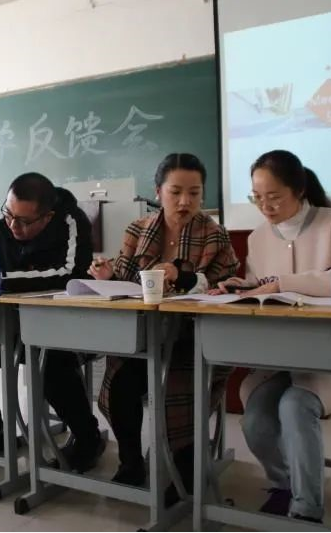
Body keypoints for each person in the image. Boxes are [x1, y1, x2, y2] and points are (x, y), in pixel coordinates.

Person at [215, 150, 331, 523]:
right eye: (257, 197)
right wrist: (244, 286)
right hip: (279, 361)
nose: (265, 207)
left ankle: (307, 509)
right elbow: (261, 286)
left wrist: (282, 282)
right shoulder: (258, 237)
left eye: (274, 197)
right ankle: (285, 483)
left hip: (330, 362)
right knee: (256, 420)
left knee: (294, 406)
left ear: (299, 190)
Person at [89, 153, 239, 504]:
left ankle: (184, 471)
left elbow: (229, 285)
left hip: (193, 342)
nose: (185, 201)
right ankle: (130, 462)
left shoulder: (214, 235)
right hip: (144, 338)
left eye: (194, 193)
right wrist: (107, 275)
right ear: (158, 192)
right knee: (120, 384)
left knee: (177, 391)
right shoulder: (137, 230)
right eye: (175, 192)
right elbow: (125, 281)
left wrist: (184, 277)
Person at [0, 172, 105, 472]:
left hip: (61, 329)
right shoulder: (2, 225)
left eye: (23, 221)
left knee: (47, 359)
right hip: (10, 330)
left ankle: (87, 437)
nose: (12, 226)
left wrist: (1, 280)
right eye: (8, 214)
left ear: (47, 216)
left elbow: (68, 274)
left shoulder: (71, 222)